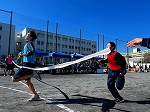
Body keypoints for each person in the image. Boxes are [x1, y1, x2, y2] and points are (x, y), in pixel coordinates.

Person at [12, 31, 41, 101]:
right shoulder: (28, 44)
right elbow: (29, 52)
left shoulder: (29, 43)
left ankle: (32, 74)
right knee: (27, 81)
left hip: (27, 64)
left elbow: (32, 51)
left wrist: (23, 55)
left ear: (30, 37)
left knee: (14, 79)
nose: (26, 35)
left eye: (28, 34)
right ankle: (36, 95)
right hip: (29, 64)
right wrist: (22, 54)